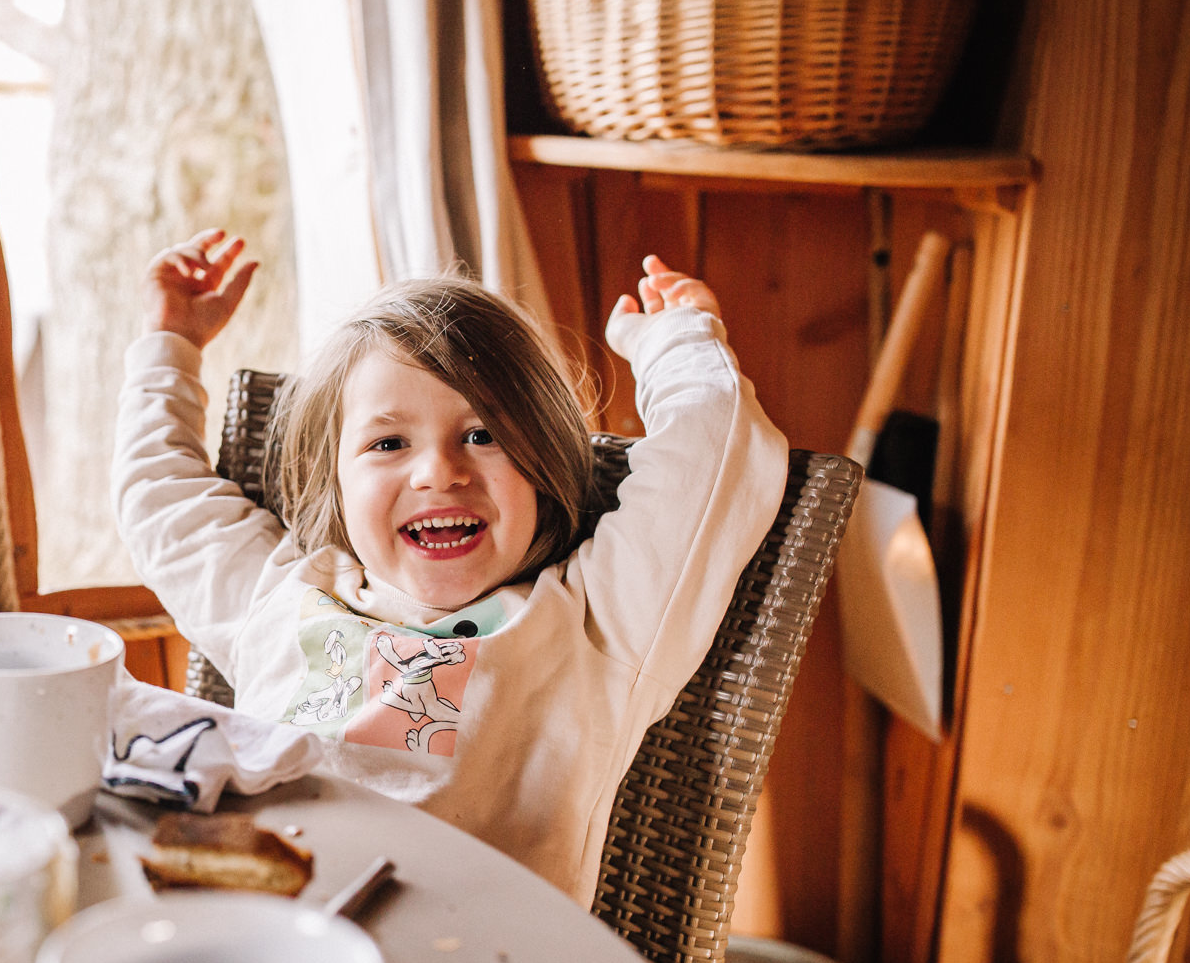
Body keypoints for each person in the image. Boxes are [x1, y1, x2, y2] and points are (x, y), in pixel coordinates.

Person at [112, 229, 788, 904]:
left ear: (543, 463)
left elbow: (716, 456)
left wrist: (677, 340)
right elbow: (160, 501)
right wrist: (170, 343)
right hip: (262, 941)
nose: (439, 471)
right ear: (336, 482)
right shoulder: (283, 593)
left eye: (482, 435)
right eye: (388, 442)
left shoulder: (594, 623)